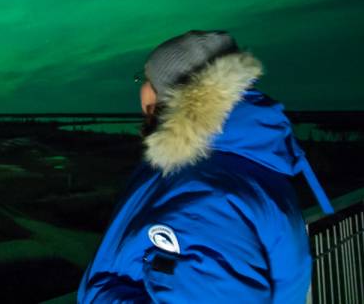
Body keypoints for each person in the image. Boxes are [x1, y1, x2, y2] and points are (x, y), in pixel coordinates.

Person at [77, 30, 334, 303]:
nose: (141, 90)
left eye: (147, 80)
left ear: (171, 93)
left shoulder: (203, 193)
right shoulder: (234, 163)